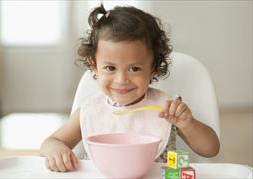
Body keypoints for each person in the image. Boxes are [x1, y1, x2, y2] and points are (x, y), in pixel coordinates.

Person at [40, 4, 220, 172]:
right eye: (110, 68)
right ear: (94, 66)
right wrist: (55, 149)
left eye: (134, 68)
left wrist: (188, 124)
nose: (121, 80)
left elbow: (210, 149)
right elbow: (50, 142)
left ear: (153, 68)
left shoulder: (167, 108)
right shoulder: (90, 111)